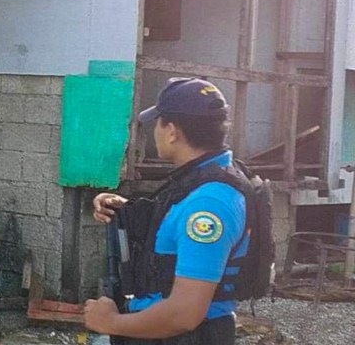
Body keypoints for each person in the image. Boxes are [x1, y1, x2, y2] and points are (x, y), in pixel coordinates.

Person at [84, 77, 250, 345]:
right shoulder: (203, 181)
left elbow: (184, 314)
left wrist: (110, 322)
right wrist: (125, 209)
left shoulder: (208, 206)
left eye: (157, 123)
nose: (155, 132)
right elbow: (176, 227)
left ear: (172, 132)